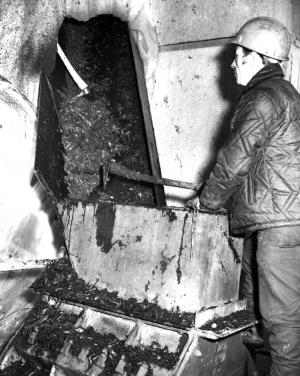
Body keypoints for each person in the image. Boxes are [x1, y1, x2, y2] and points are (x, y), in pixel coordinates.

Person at [190, 17, 300, 376]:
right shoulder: (288, 96)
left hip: (281, 226)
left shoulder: (262, 98)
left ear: (260, 58)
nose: (233, 62)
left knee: (283, 325)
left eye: (240, 54)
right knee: (257, 306)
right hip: (276, 219)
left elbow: (233, 160)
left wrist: (204, 205)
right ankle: (249, 360)